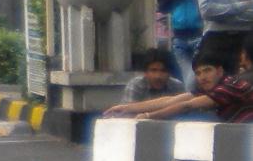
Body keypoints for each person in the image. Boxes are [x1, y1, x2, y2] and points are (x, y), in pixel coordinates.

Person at [107, 49, 253, 122]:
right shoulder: (211, 87)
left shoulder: (230, 86)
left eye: (207, 71)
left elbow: (187, 105)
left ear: (220, 71)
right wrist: (126, 108)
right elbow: (171, 101)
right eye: (198, 73)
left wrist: (148, 116)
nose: (202, 77)